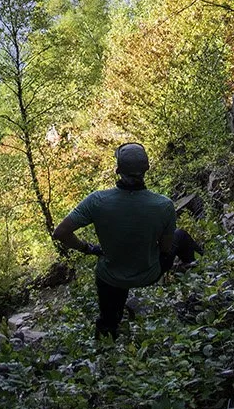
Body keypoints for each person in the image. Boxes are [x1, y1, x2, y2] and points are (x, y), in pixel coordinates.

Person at [51, 142, 177, 339]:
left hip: (111, 277)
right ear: (147, 169)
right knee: (181, 237)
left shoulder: (97, 201)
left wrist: (88, 248)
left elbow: (60, 232)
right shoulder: (164, 205)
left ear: (118, 170)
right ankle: (191, 273)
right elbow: (166, 249)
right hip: (148, 273)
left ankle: (107, 335)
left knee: (107, 323)